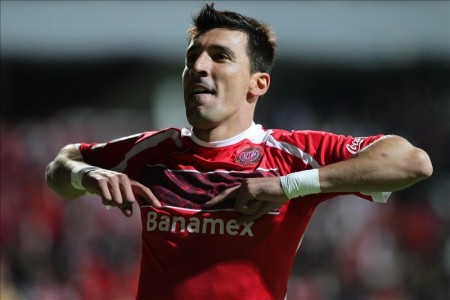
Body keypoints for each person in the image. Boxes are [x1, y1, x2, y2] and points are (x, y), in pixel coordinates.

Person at [45, 3, 433, 300]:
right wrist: (88, 176)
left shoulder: (290, 154)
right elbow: (61, 168)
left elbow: (412, 162)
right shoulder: (154, 149)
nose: (198, 66)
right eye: (191, 57)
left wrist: (288, 186)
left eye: (219, 56)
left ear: (257, 84)